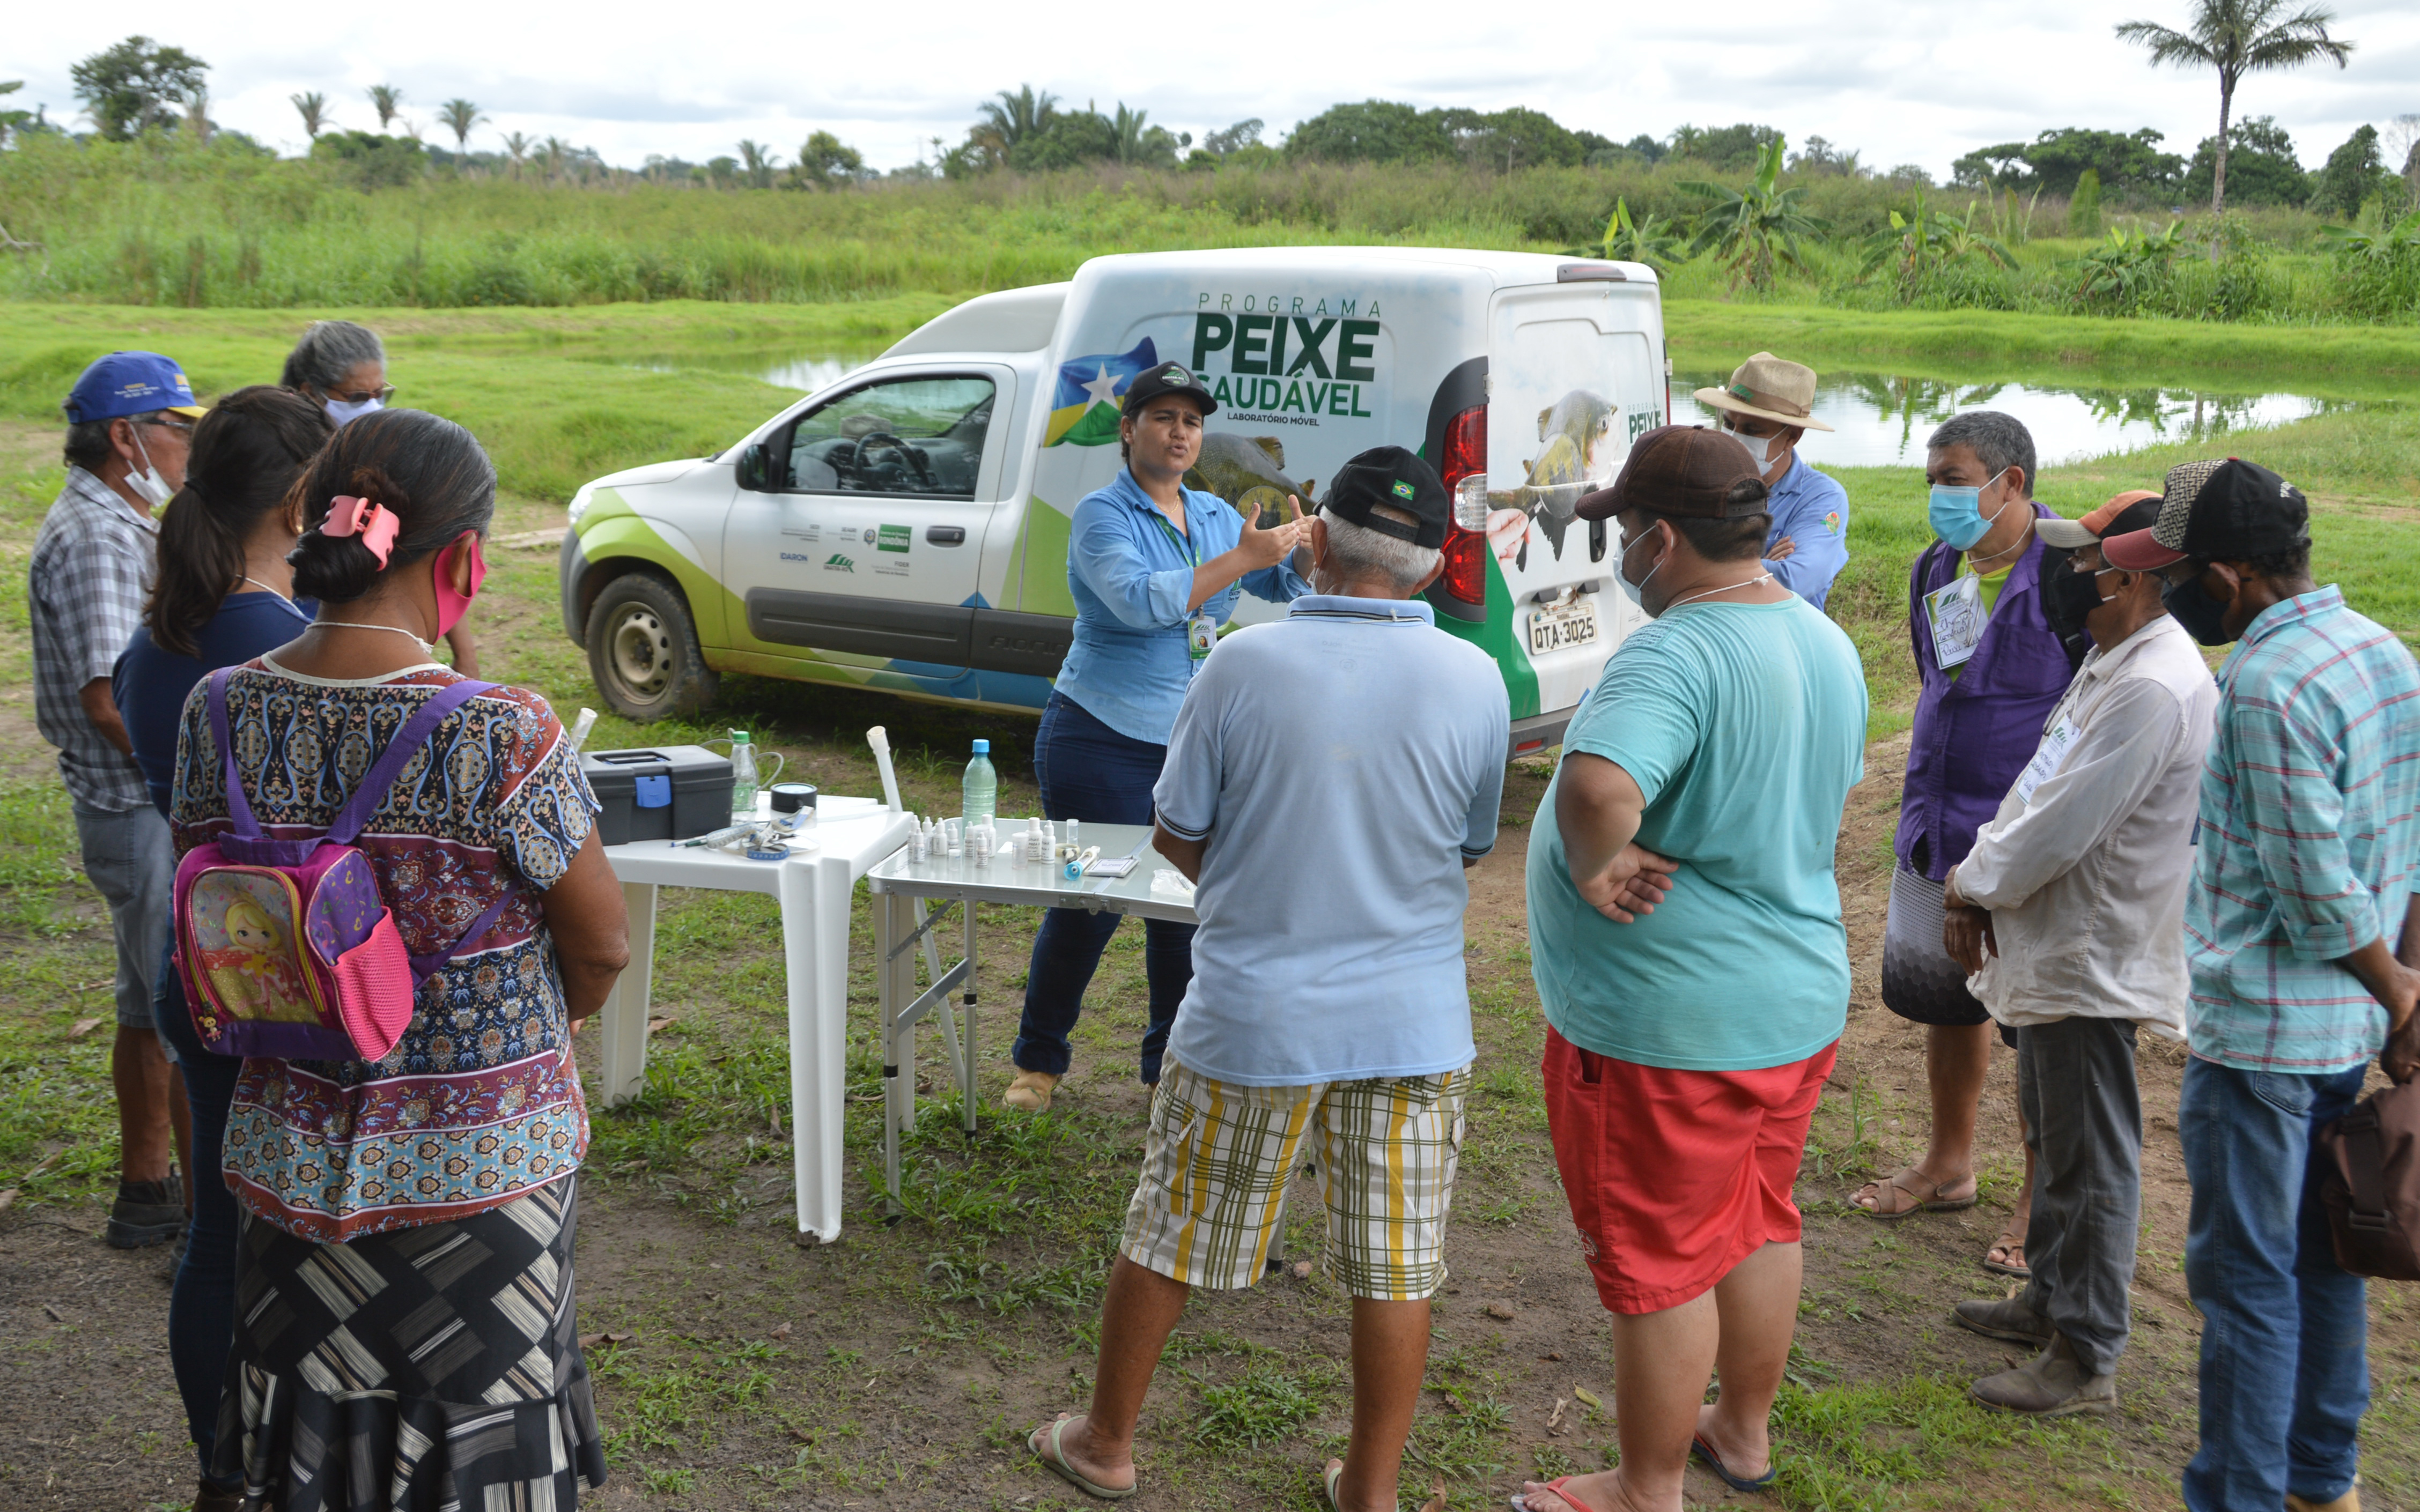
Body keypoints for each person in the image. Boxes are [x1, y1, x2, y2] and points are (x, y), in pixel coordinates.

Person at [1022, 448, 1506, 1510]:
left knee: (1172, 1227)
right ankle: (1370, 1489)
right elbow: (1466, 844)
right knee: (1398, 1261)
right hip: (1414, 1021)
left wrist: (1263, 873)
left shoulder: (1242, 663)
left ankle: (1106, 1445)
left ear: (1315, 542)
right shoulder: (1478, 679)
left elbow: (1177, 833)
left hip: (1254, 1013)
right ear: (1432, 569)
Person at [169, 407, 628, 1508]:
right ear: (465, 559)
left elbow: (216, 902)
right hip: (479, 1178)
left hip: (285, 1166)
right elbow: (604, 942)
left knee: (309, 1423)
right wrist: (553, 1020)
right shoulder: (500, 731)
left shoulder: (219, 710)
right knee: (481, 1436)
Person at [1517, 426, 1868, 1512]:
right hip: (1792, 997)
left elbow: (1596, 788)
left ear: (1662, 539)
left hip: (1670, 1026)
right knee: (1758, 1220)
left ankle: (1644, 1488)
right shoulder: (1819, 637)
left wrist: (1595, 865)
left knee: (1664, 1262)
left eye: (1624, 531)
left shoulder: (1677, 649)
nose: (1619, 550)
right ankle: (1742, 1432)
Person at [2103, 460, 2420, 1512]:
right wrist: (2398, 995)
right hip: (2339, 1036)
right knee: (2326, 1263)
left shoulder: (2264, 686)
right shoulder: (2381, 650)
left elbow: (2316, 895)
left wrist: (2402, 991)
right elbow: (2402, 850)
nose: (2176, 591)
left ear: (2231, 575)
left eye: (2186, 571)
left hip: (2263, 1044)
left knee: (2245, 1291)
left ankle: (2237, 1494)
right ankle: (2324, 1482)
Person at [1936, 489, 2217, 1417]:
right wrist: (1980, 878)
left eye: (2087, 563)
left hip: (2090, 952)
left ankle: (2085, 1352)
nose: (2070, 576)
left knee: (2091, 1156)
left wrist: (1972, 884)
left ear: (2137, 578)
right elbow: (2039, 783)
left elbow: (2061, 824)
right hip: (2058, 941)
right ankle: (2047, 1301)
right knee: (2056, 1139)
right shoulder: (2114, 661)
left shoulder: (2149, 683)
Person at [112, 387, 332, 1511]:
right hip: (287, 977)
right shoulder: (288, 645)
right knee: (300, 1229)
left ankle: (222, 1466)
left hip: (191, 964)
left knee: (215, 1228)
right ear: (301, 499)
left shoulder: (157, 643)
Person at [1002, 361, 1309, 1111]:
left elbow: (1276, 584)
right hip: (1098, 735)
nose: (1180, 433)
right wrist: (1244, 558)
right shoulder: (1101, 517)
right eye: (1165, 417)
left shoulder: (1210, 512)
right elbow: (1144, 604)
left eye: (1193, 421)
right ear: (1129, 428)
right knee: (1091, 907)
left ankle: (1165, 1073)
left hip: (1190, 742)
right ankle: (1037, 1067)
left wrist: (1307, 549)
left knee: (1181, 908)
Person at [1856, 410, 2076, 1281]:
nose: (1938, 496)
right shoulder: (1936, 569)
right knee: (1950, 1004)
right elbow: (1937, 689)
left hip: (2029, 848)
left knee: (2035, 1025)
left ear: (2008, 482)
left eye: (1951, 478)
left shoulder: (2068, 573)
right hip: (1936, 830)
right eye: (1932, 481)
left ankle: (2037, 1198)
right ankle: (1949, 1164)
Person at [30, 350, 205, 1252]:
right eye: (178, 428)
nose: (187, 447)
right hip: (137, 804)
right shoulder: (100, 536)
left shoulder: (120, 521)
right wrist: (187, 788)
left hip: (129, 804)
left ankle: (147, 1192)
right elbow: (108, 699)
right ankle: (195, 1222)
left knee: (144, 1000)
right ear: (124, 438)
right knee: (180, 1010)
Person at [281, 317, 479, 675]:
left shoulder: (381, 450)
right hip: (302, 629)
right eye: (357, 397)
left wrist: (465, 653)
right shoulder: (286, 465)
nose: (372, 408)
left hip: (379, 630)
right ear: (310, 392)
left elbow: (431, 549)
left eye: (380, 394)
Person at [1692, 351, 1849, 610]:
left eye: (1753, 431)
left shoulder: (1822, 497)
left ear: (1793, 437)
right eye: (1729, 424)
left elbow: (1796, 581)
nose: (1735, 438)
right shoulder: (1702, 479)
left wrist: (1701, 558)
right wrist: (1762, 560)